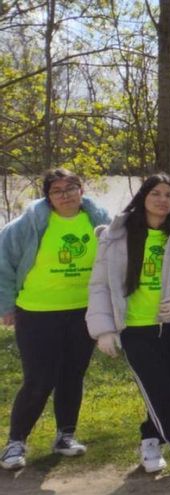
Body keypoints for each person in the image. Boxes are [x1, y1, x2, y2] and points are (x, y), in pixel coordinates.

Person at [86, 173, 170, 473]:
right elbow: (99, 286)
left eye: (169, 195)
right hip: (136, 327)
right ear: (143, 197)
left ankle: (149, 438)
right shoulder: (115, 236)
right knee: (157, 386)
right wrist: (103, 330)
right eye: (156, 193)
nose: (163, 200)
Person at [0, 169, 111, 470]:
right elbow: (5, 263)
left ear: (81, 189)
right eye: (57, 190)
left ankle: (65, 436)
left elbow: (119, 257)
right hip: (37, 312)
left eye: (71, 188)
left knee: (72, 375)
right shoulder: (28, 224)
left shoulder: (100, 221)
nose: (65, 195)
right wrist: (6, 305)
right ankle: (15, 442)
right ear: (48, 196)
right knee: (38, 380)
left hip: (83, 311)